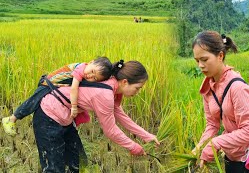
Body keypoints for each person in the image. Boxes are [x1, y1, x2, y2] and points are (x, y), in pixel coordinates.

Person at [32, 60, 160, 172]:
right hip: (47, 117)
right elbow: (110, 130)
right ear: (125, 82)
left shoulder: (112, 85)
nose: (137, 92)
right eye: (137, 88)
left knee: (79, 163)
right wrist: (134, 147)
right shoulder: (105, 94)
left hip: (65, 118)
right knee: (54, 168)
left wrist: (146, 136)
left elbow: (120, 115)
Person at [191, 31, 249, 172]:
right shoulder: (208, 88)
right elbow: (212, 124)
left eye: (204, 59)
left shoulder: (238, 87)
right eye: (197, 60)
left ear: (220, 56)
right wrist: (200, 146)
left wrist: (216, 143)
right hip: (233, 155)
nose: (200, 65)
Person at [2, 57, 113, 136]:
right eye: (92, 71)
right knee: (32, 103)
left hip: (54, 87)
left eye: (94, 78)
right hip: (47, 84)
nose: (90, 75)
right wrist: (74, 106)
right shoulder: (80, 69)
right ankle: (11, 119)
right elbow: (74, 89)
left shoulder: (85, 72)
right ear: (90, 62)